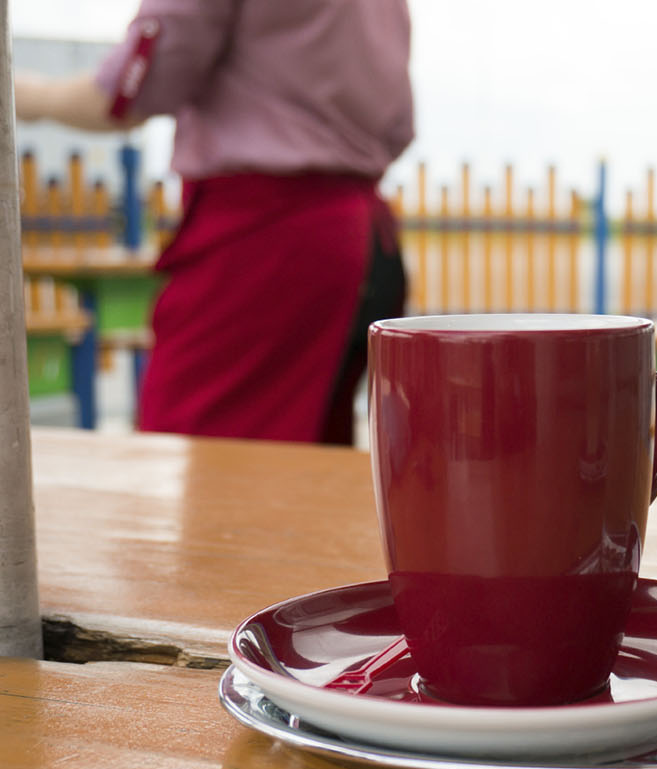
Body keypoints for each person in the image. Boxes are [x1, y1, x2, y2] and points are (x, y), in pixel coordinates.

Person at [16, 1, 415, 445]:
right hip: (364, 241)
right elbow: (398, 120)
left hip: (265, 243)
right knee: (310, 473)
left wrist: (24, 94)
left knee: (198, 457)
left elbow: (131, 89)